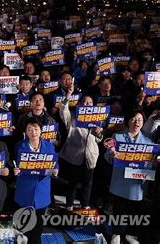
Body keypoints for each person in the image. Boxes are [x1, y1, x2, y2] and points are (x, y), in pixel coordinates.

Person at [105, 110, 152, 244]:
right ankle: (116, 233)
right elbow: (107, 157)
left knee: (134, 210)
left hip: (136, 183)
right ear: (128, 121)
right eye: (133, 119)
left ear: (143, 123)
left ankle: (130, 234)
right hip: (120, 181)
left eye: (140, 120)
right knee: (118, 209)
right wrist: (111, 155)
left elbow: (150, 162)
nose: (136, 122)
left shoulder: (148, 141)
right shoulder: (117, 137)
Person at [13, 117, 58, 244]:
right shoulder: (19, 146)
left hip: (42, 192)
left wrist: (56, 170)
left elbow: (55, 163)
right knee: (23, 229)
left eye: (36, 129)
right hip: (24, 192)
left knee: (37, 230)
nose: (33, 132)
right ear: (25, 132)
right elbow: (14, 164)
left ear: (41, 131)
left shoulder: (48, 146)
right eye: (30, 129)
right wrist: (14, 170)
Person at [58, 84, 103, 209]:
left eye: (90, 103)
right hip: (74, 156)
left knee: (88, 183)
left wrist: (99, 133)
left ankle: (85, 205)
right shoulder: (72, 117)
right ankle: (69, 205)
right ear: (79, 104)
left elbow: (99, 139)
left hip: (91, 156)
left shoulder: (98, 119)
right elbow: (63, 110)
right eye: (84, 102)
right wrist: (68, 95)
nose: (87, 104)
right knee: (73, 183)